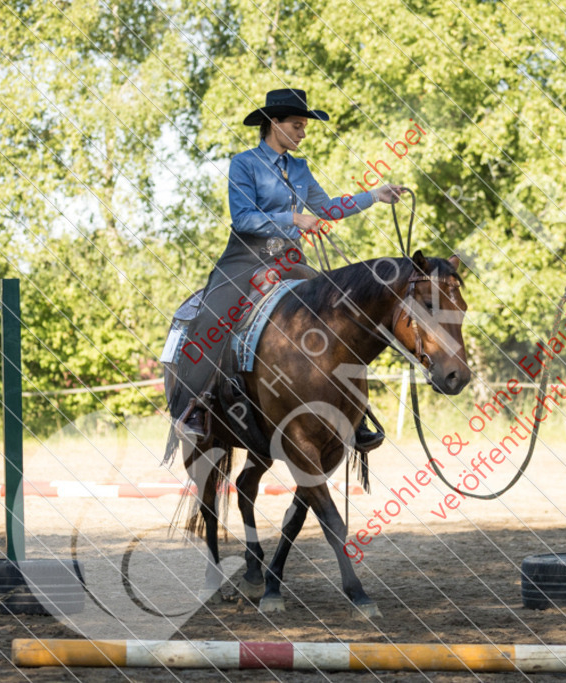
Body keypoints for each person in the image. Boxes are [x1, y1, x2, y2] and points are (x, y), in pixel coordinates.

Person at [170, 88, 405, 448]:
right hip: (245, 258)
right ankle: (197, 405)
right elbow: (244, 218)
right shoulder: (244, 164)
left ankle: (354, 412)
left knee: (338, 314)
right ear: (273, 125)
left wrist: (374, 195)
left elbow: (327, 207)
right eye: (297, 126)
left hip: (289, 260)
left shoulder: (299, 167)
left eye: (304, 127)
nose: (303, 133)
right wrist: (293, 217)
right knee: (213, 317)